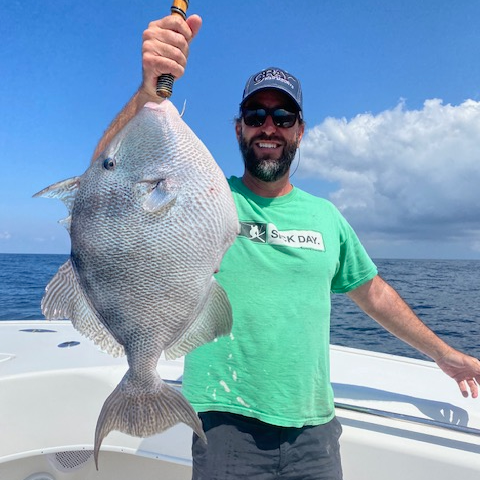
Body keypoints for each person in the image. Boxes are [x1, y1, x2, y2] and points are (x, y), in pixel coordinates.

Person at [92, 14, 480, 480]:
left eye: (283, 117)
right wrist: (152, 88)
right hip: (223, 424)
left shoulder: (326, 217)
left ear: (299, 130)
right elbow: (109, 179)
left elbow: (372, 292)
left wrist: (442, 353)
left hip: (314, 431)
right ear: (239, 129)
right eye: (256, 117)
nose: (269, 127)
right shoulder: (207, 198)